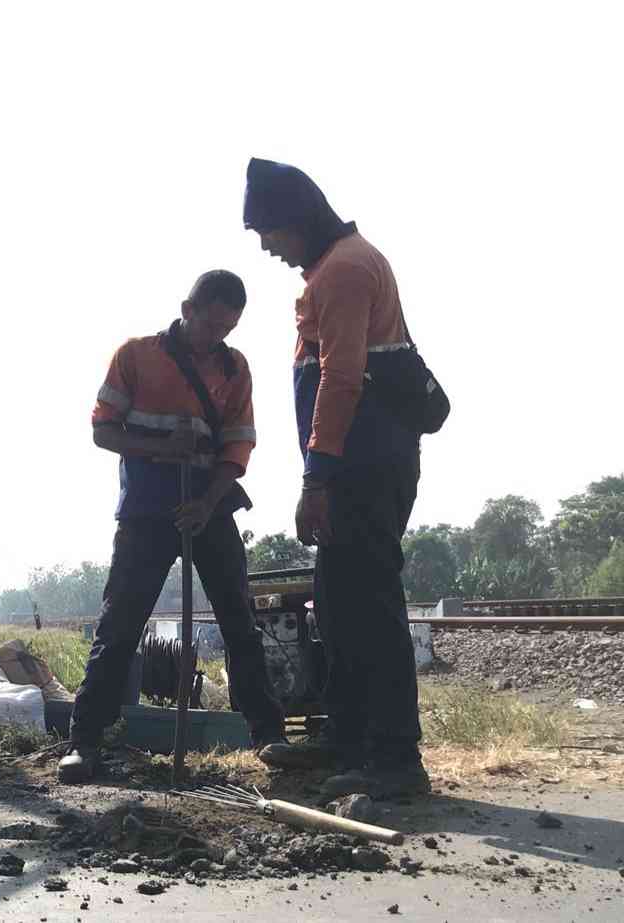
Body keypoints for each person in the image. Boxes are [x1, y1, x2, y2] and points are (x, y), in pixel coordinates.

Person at [243, 158, 428, 799]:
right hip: (356, 461)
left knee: (368, 604)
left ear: (296, 220)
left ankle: (395, 758)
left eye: (268, 233)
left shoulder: (345, 270)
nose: (267, 248)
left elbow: (342, 377)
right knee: (341, 605)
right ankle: (347, 740)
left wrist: (317, 478)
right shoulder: (334, 266)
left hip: (362, 466)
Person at [58, 270, 285, 784]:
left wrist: (207, 503)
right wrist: (163, 449)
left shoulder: (234, 367)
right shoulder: (136, 355)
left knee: (239, 621)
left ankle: (269, 735)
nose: (216, 338)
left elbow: (237, 446)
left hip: (209, 502)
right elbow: (102, 430)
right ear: (187, 308)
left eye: (228, 329)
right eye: (210, 326)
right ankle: (85, 740)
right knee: (120, 625)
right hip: (146, 505)